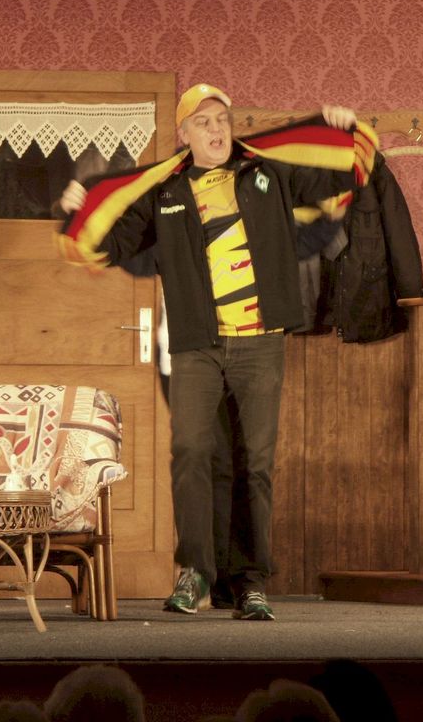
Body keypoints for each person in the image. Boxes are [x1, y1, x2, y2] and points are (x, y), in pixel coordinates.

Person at [59, 83, 374, 621]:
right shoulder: (164, 191)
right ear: (183, 134)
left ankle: (250, 583)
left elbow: (337, 176)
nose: (216, 129)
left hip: (260, 341)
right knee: (191, 454)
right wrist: (76, 213)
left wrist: (344, 131)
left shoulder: (269, 173)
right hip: (196, 346)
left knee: (256, 463)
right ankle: (195, 572)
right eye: (203, 122)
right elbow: (114, 243)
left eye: (222, 119)